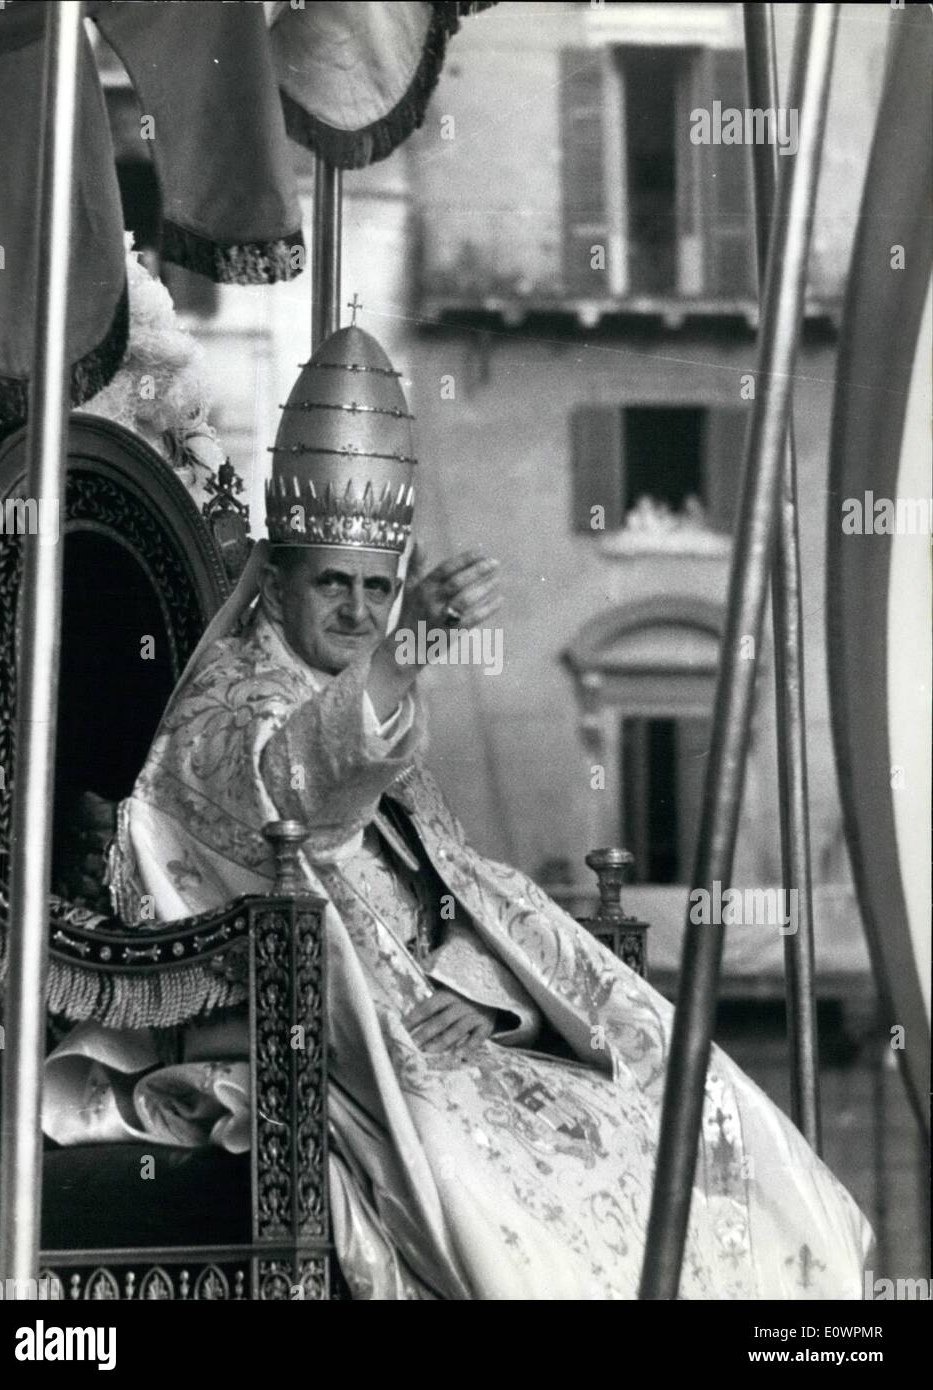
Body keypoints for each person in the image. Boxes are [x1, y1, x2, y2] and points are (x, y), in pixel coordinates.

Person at [44, 324, 871, 1299]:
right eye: (334, 586)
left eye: (378, 591)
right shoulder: (223, 709)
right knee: (530, 1205)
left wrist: (483, 995)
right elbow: (296, 797)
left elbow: (451, 894)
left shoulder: (362, 694)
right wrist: (408, 651)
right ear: (274, 581)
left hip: (443, 1036)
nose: (360, 612)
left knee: (685, 1119)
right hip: (305, 1045)